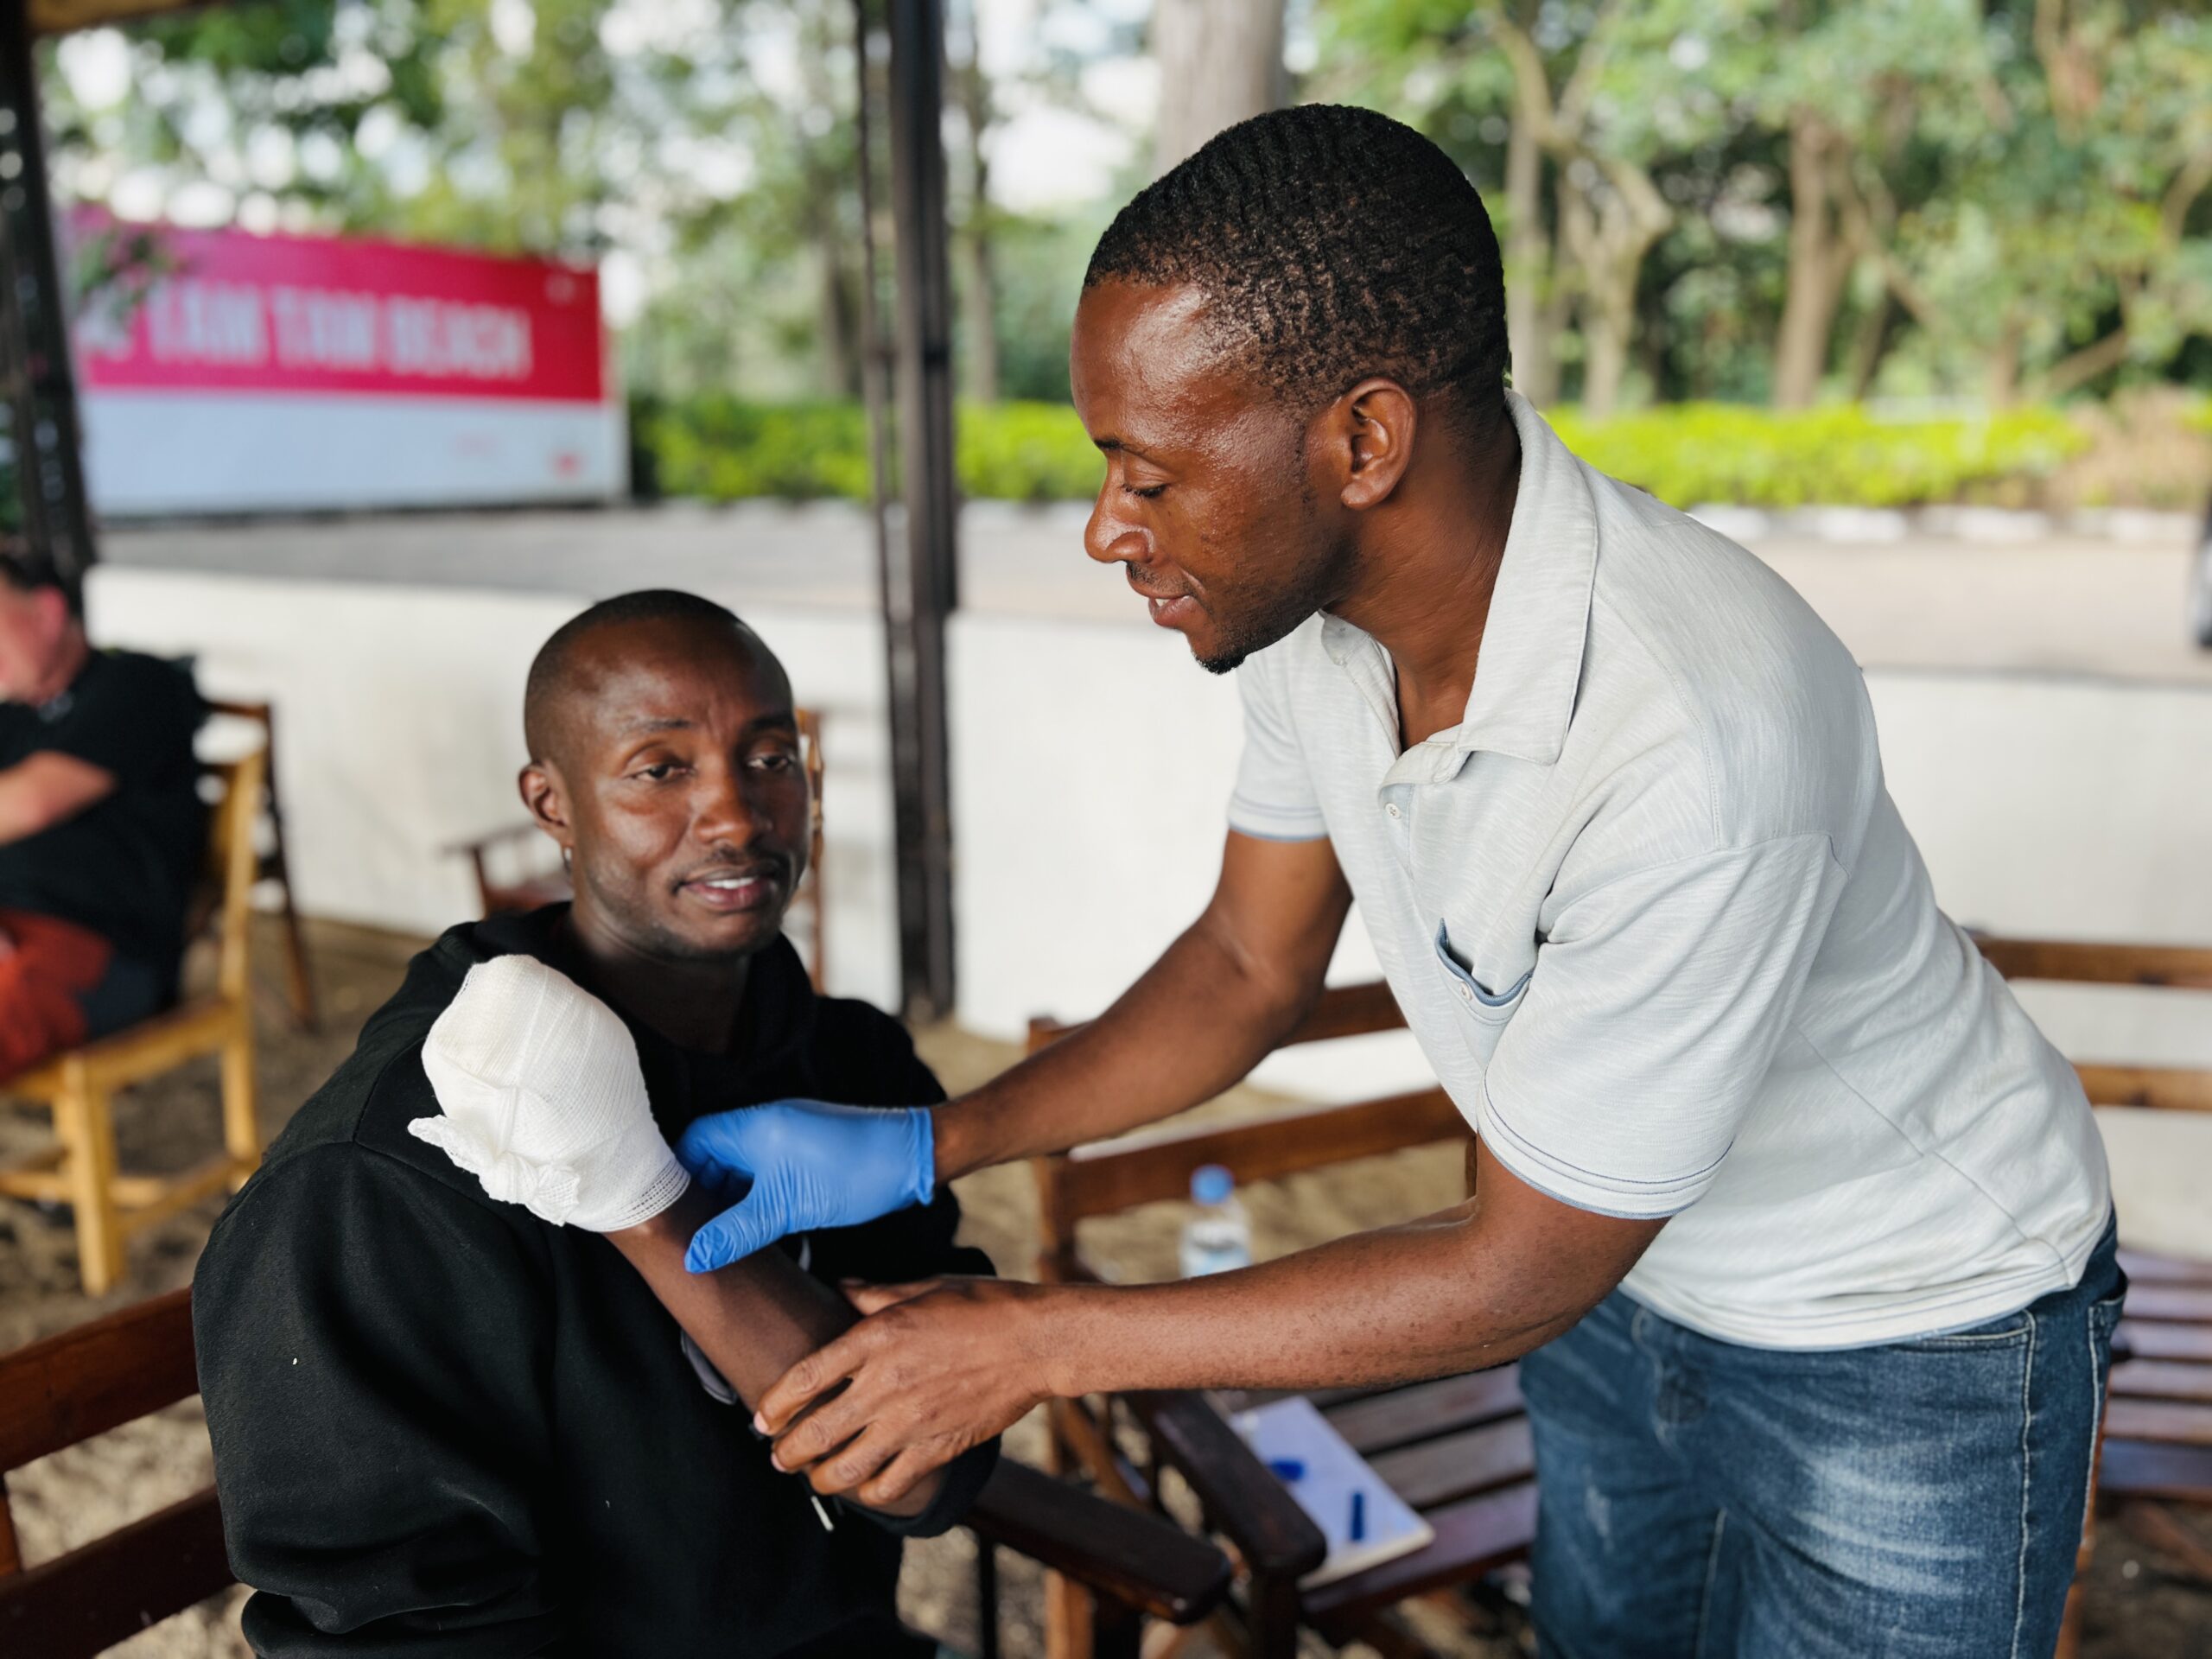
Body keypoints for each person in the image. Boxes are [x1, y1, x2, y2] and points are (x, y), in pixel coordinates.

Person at [675, 108, 2122, 1657]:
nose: (1109, 529)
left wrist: (1033, 1342)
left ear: (1363, 441)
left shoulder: (1697, 733)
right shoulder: (1314, 630)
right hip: (1627, 1296)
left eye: (1148, 474)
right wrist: (929, 1139)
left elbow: (1516, 1265)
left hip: (1907, 1331)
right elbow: (1247, 961)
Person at [194, 590, 995, 1657]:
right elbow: (396, 1632)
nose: (737, 816)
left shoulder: (851, 1060)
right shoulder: (389, 1171)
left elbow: (931, 1472)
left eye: (770, 758)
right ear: (551, 803)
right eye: (660, 769)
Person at [0, 547, 204, 1075]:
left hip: (99, 952)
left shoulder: (136, 684)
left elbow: (30, 803)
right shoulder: (13, 714)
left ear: (45, 612)